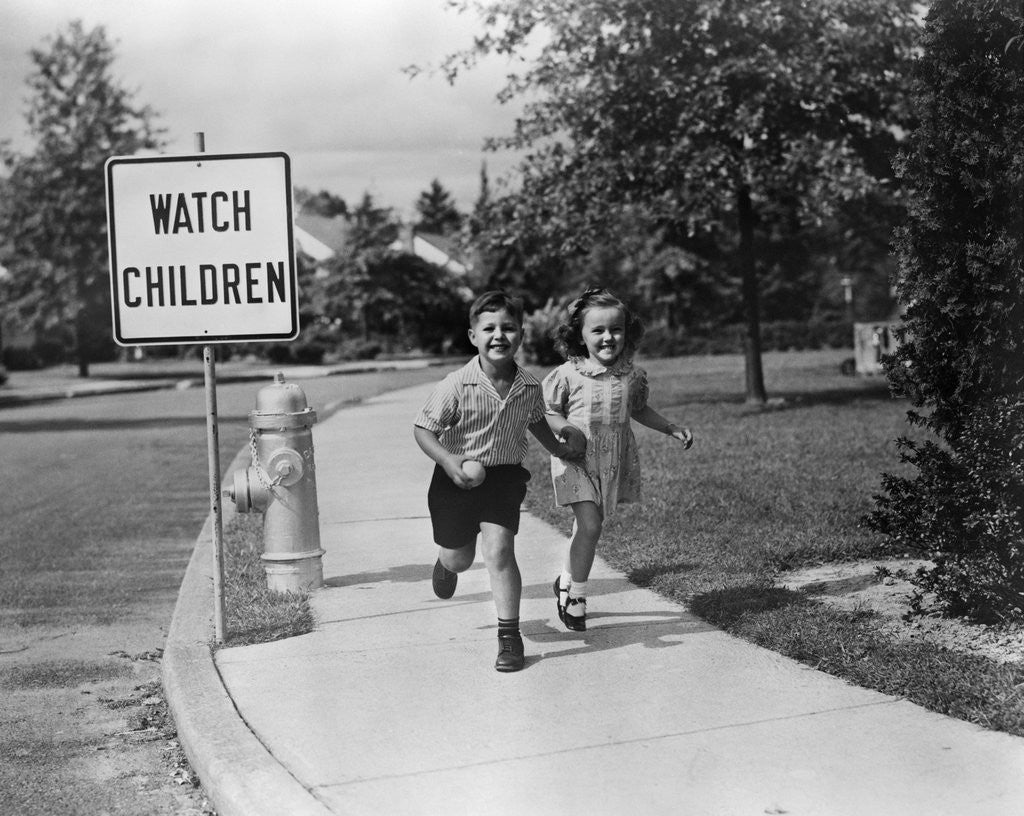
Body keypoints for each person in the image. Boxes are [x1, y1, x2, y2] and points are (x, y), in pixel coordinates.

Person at [413, 290, 585, 672]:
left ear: (521, 334)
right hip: (454, 477)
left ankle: (509, 637)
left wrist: (559, 449)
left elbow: (536, 421)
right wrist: (448, 458)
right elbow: (423, 429)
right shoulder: (456, 384)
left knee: (500, 553)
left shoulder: (528, 386)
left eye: (508, 328)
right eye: (488, 328)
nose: (498, 335)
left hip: (503, 478)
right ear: (473, 336)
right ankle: (445, 562)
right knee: (461, 558)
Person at [543, 286, 694, 631]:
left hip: (611, 459)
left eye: (616, 329)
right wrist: (565, 427)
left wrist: (670, 428)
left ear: (627, 332)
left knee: (586, 529)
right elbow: (548, 411)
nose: (608, 337)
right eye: (598, 330)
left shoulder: (631, 375)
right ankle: (577, 597)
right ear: (580, 336)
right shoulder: (569, 373)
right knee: (591, 526)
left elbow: (638, 410)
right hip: (575, 457)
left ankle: (566, 580)